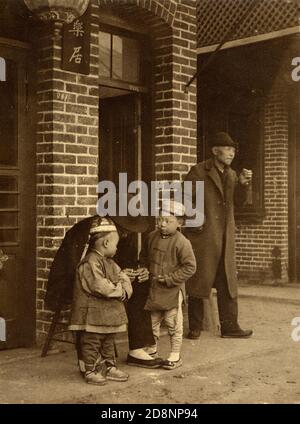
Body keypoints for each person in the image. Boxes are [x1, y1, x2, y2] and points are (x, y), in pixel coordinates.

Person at [184, 132, 253, 339]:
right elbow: (184, 199)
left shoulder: (232, 175)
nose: (232, 153)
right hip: (204, 236)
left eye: (233, 149)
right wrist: (195, 225)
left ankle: (230, 326)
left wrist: (242, 184)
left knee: (227, 281)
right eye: (227, 148)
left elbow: (238, 204)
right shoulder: (198, 171)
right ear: (215, 151)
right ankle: (195, 327)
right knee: (199, 281)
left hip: (225, 237)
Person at [68, 217, 133, 385]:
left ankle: (109, 367)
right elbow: (99, 285)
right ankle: (89, 370)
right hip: (92, 314)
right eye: (115, 244)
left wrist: (125, 286)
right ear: (106, 243)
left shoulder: (110, 262)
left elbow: (122, 276)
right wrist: (121, 289)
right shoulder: (89, 263)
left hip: (106, 313)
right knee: (92, 341)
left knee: (109, 339)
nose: (117, 248)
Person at [140, 200, 196, 370]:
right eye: (160, 220)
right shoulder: (151, 237)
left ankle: (175, 354)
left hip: (172, 291)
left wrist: (171, 279)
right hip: (155, 289)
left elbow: (190, 267)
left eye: (168, 221)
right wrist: (143, 269)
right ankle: (151, 349)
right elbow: (143, 257)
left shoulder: (182, 242)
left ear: (180, 223)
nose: (162, 224)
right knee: (152, 321)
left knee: (173, 323)